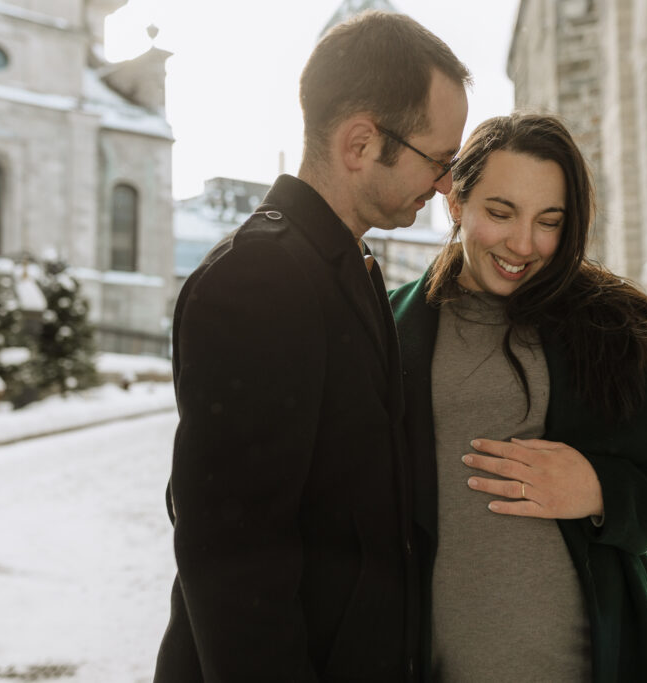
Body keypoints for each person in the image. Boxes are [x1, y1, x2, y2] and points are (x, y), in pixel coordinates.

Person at [154, 11, 470, 682]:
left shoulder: (349, 265)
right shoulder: (258, 278)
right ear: (360, 143)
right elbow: (232, 561)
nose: (445, 185)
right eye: (439, 160)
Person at [389, 113, 647, 682]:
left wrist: (597, 489)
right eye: (500, 212)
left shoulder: (608, 329)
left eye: (549, 221)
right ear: (456, 205)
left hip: (595, 662)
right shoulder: (388, 328)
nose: (523, 244)